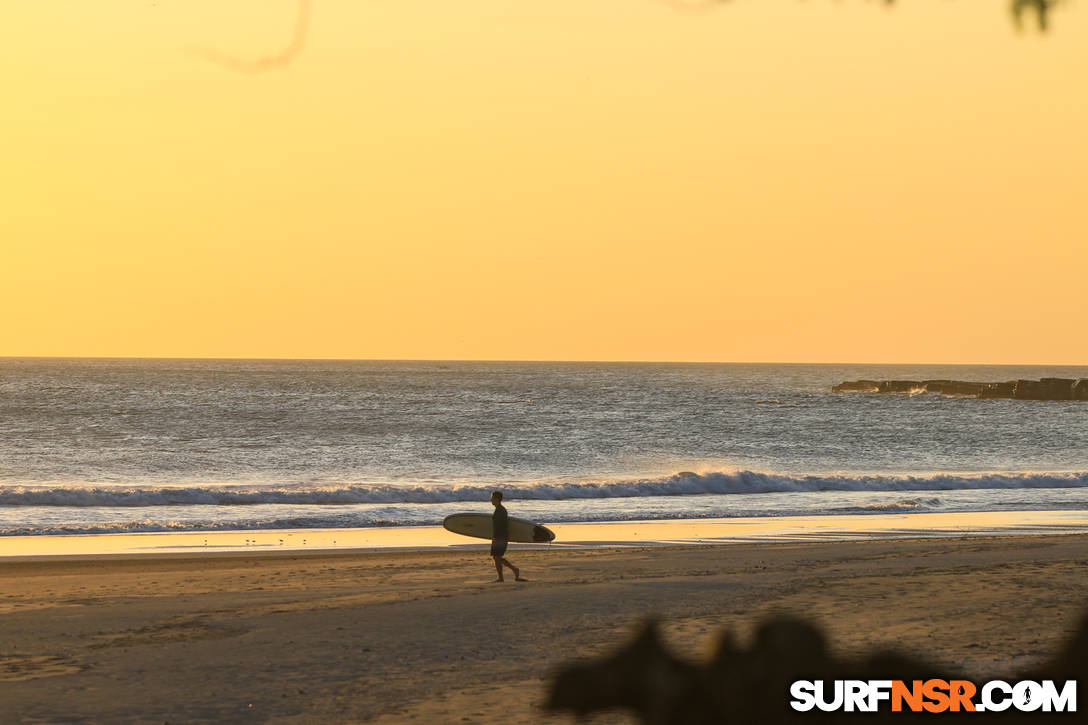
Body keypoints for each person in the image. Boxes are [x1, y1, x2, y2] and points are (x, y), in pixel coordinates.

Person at [490, 491, 525, 582]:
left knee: (497, 557)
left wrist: (496, 537)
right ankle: (508, 573)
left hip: (500, 537)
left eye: (492, 498)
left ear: (497, 499)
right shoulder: (499, 509)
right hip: (500, 536)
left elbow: (501, 525)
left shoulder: (500, 510)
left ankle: (508, 573)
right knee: (496, 557)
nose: (491, 500)